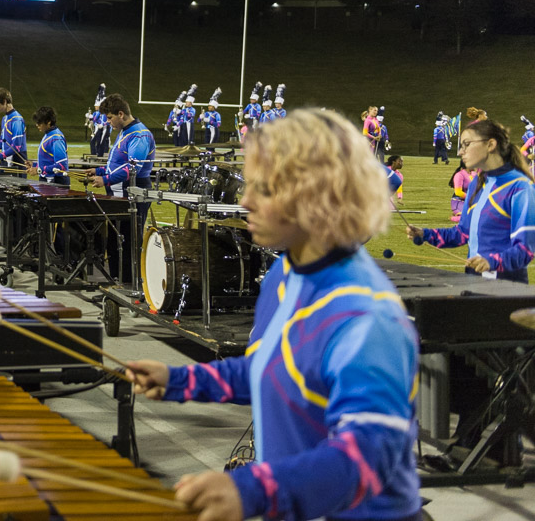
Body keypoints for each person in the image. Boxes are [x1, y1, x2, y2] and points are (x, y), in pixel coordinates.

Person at [128, 108, 422, 521]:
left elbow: (365, 458)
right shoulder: (285, 274)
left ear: (316, 197)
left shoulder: (365, 318)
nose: (245, 200)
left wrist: (253, 489)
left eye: (264, 189)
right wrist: (179, 380)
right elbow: (271, 369)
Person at [408, 118, 535, 283]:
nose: (460, 152)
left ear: (490, 145)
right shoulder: (478, 182)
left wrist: (491, 261)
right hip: (473, 277)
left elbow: (525, 250)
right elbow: (462, 233)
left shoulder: (520, 187)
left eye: (466, 144)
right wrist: (426, 234)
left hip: (505, 284)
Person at [90, 94, 155, 280]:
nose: (107, 121)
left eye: (110, 118)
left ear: (121, 114)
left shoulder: (139, 135)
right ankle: (116, 280)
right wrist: (99, 170)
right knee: (115, 240)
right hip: (120, 191)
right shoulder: (125, 132)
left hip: (134, 191)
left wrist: (106, 179)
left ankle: (129, 283)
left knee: (128, 242)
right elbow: (116, 165)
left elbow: (133, 168)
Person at [27, 106, 68, 185]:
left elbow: (62, 166)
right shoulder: (48, 135)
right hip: (47, 181)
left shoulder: (56, 138)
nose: (37, 125)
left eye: (39, 122)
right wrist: (35, 165)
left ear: (48, 122)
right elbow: (49, 162)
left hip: (56, 183)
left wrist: (38, 170)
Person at [0, 87, 27, 167]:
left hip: (16, 164)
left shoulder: (16, 120)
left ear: (4, 101)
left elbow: (16, 147)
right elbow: (3, 143)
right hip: (5, 161)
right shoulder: (5, 119)